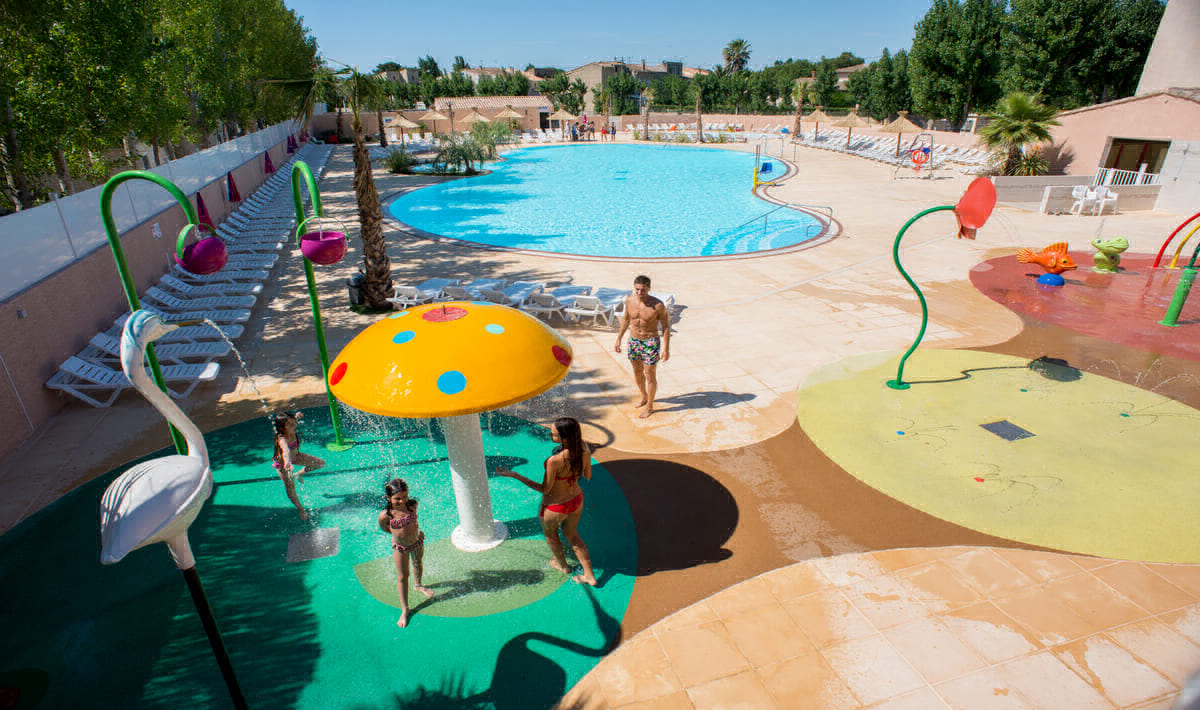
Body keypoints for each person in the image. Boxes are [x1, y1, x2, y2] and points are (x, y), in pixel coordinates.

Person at [495, 417, 597, 586]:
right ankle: (589, 576)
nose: (550, 435)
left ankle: (562, 565)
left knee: (551, 535)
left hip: (555, 507)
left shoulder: (554, 461)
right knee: (573, 536)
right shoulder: (584, 450)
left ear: (565, 438)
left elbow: (545, 489)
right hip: (576, 500)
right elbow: (588, 475)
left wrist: (516, 476)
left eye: (553, 434)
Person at [378, 478, 435, 628]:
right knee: (403, 576)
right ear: (388, 498)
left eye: (404, 496)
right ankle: (405, 609)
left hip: (417, 542)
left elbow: (414, 522)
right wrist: (398, 535)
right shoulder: (386, 515)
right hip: (401, 547)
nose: (402, 501)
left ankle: (418, 585)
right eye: (397, 498)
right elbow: (384, 527)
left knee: (418, 563)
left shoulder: (412, 505)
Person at [614, 275, 671, 418]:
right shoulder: (629, 301)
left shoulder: (658, 305)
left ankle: (650, 406)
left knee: (649, 374)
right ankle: (644, 396)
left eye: (643, 290)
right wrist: (618, 339)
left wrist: (666, 349)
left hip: (650, 342)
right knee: (637, 371)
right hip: (634, 341)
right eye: (637, 289)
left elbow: (665, 327)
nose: (639, 293)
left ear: (649, 288)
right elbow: (626, 320)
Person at [272, 412, 325, 520]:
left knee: (320, 463)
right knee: (291, 489)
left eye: (294, 422)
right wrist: (287, 462)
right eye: (290, 424)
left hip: (296, 456)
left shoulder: (291, 425)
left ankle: (298, 474)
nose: (294, 425)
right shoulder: (282, 439)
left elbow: (293, 421)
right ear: (282, 428)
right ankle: (301, 509)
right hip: (283, 464)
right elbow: (285, 452)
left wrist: (297, 416)